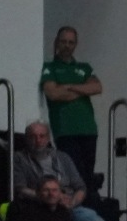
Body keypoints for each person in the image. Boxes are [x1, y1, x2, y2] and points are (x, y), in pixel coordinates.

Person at [39, 27, 104, 187]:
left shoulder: (84, 67)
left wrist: (69, 87)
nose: (67, 45)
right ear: (57, 42)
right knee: (73, 175)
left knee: (87, 175)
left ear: (75, 44)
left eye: (71, 42)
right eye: (63, 41)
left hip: (88, 129)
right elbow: (53, 93)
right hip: (65, 130)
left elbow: (97, 87)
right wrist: (82, 89)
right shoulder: (49, 67)